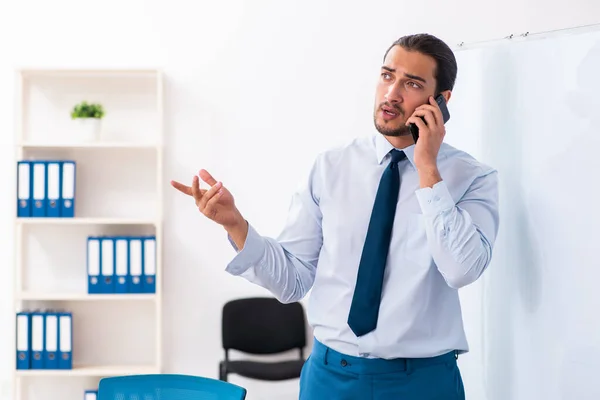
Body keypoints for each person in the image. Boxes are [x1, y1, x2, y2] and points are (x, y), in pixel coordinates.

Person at [172, 33, 499, 399]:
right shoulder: (331, 167)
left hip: (422, 382)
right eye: (388, 75)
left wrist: (427, 169)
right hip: (330, 378)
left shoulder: (473, 178)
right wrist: (235, 224)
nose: (392, 93)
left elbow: (461, 269)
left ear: (441, 101)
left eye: (412, 83)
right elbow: (293, 281)